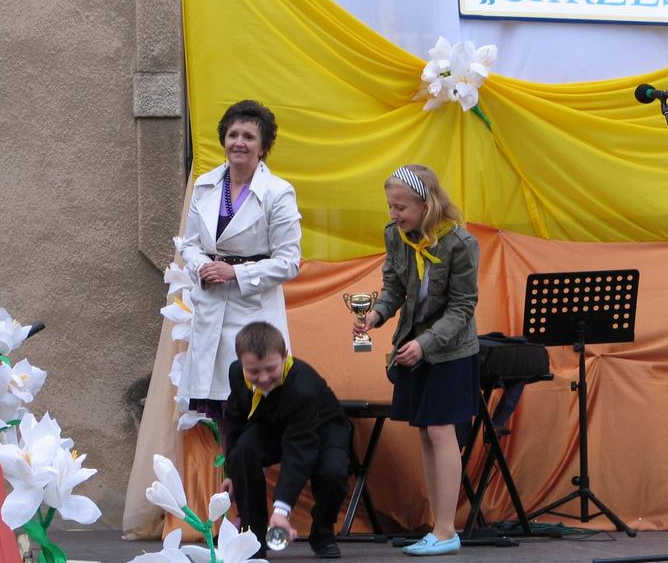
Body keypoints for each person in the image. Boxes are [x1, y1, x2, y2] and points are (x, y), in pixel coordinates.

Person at [353, 164, 479, 556]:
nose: (393, 214)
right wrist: (376, 315)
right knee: (425, 431)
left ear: (427, 205)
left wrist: (426, 344)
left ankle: (446, 530)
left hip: (450, 350)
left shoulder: (461, 243)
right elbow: (394, 287)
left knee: (441, 430)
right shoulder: (395, 235)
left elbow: (462, 307)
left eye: (401, 207)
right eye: (390, 206)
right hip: (414, 347)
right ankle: (437, 525)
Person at [178, 100, 302, 425]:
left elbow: (289, 262)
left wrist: (235, 272)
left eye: (249, 136)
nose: (239, 142)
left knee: (255, 411)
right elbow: (190, 245)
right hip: (211, 308)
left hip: (254, 314)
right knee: (220, 415)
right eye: (233, 134)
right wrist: (201, 267)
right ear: (224, 140)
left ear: (263, 147)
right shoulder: (204, 186)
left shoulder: (278, 193)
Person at [221, 321, 351, 559]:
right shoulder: (236, 373)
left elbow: (298, 451)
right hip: (272, 424)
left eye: (271, 369)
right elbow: (235, 421)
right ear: (241, 363)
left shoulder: (303, 388)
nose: (263, 377)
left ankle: (322, 532)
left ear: (285, 356)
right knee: (242, 452)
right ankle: (253, 541)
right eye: (254, 371)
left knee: (332, 473)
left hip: (322, 428)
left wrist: (282, 510)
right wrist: (232, 472)